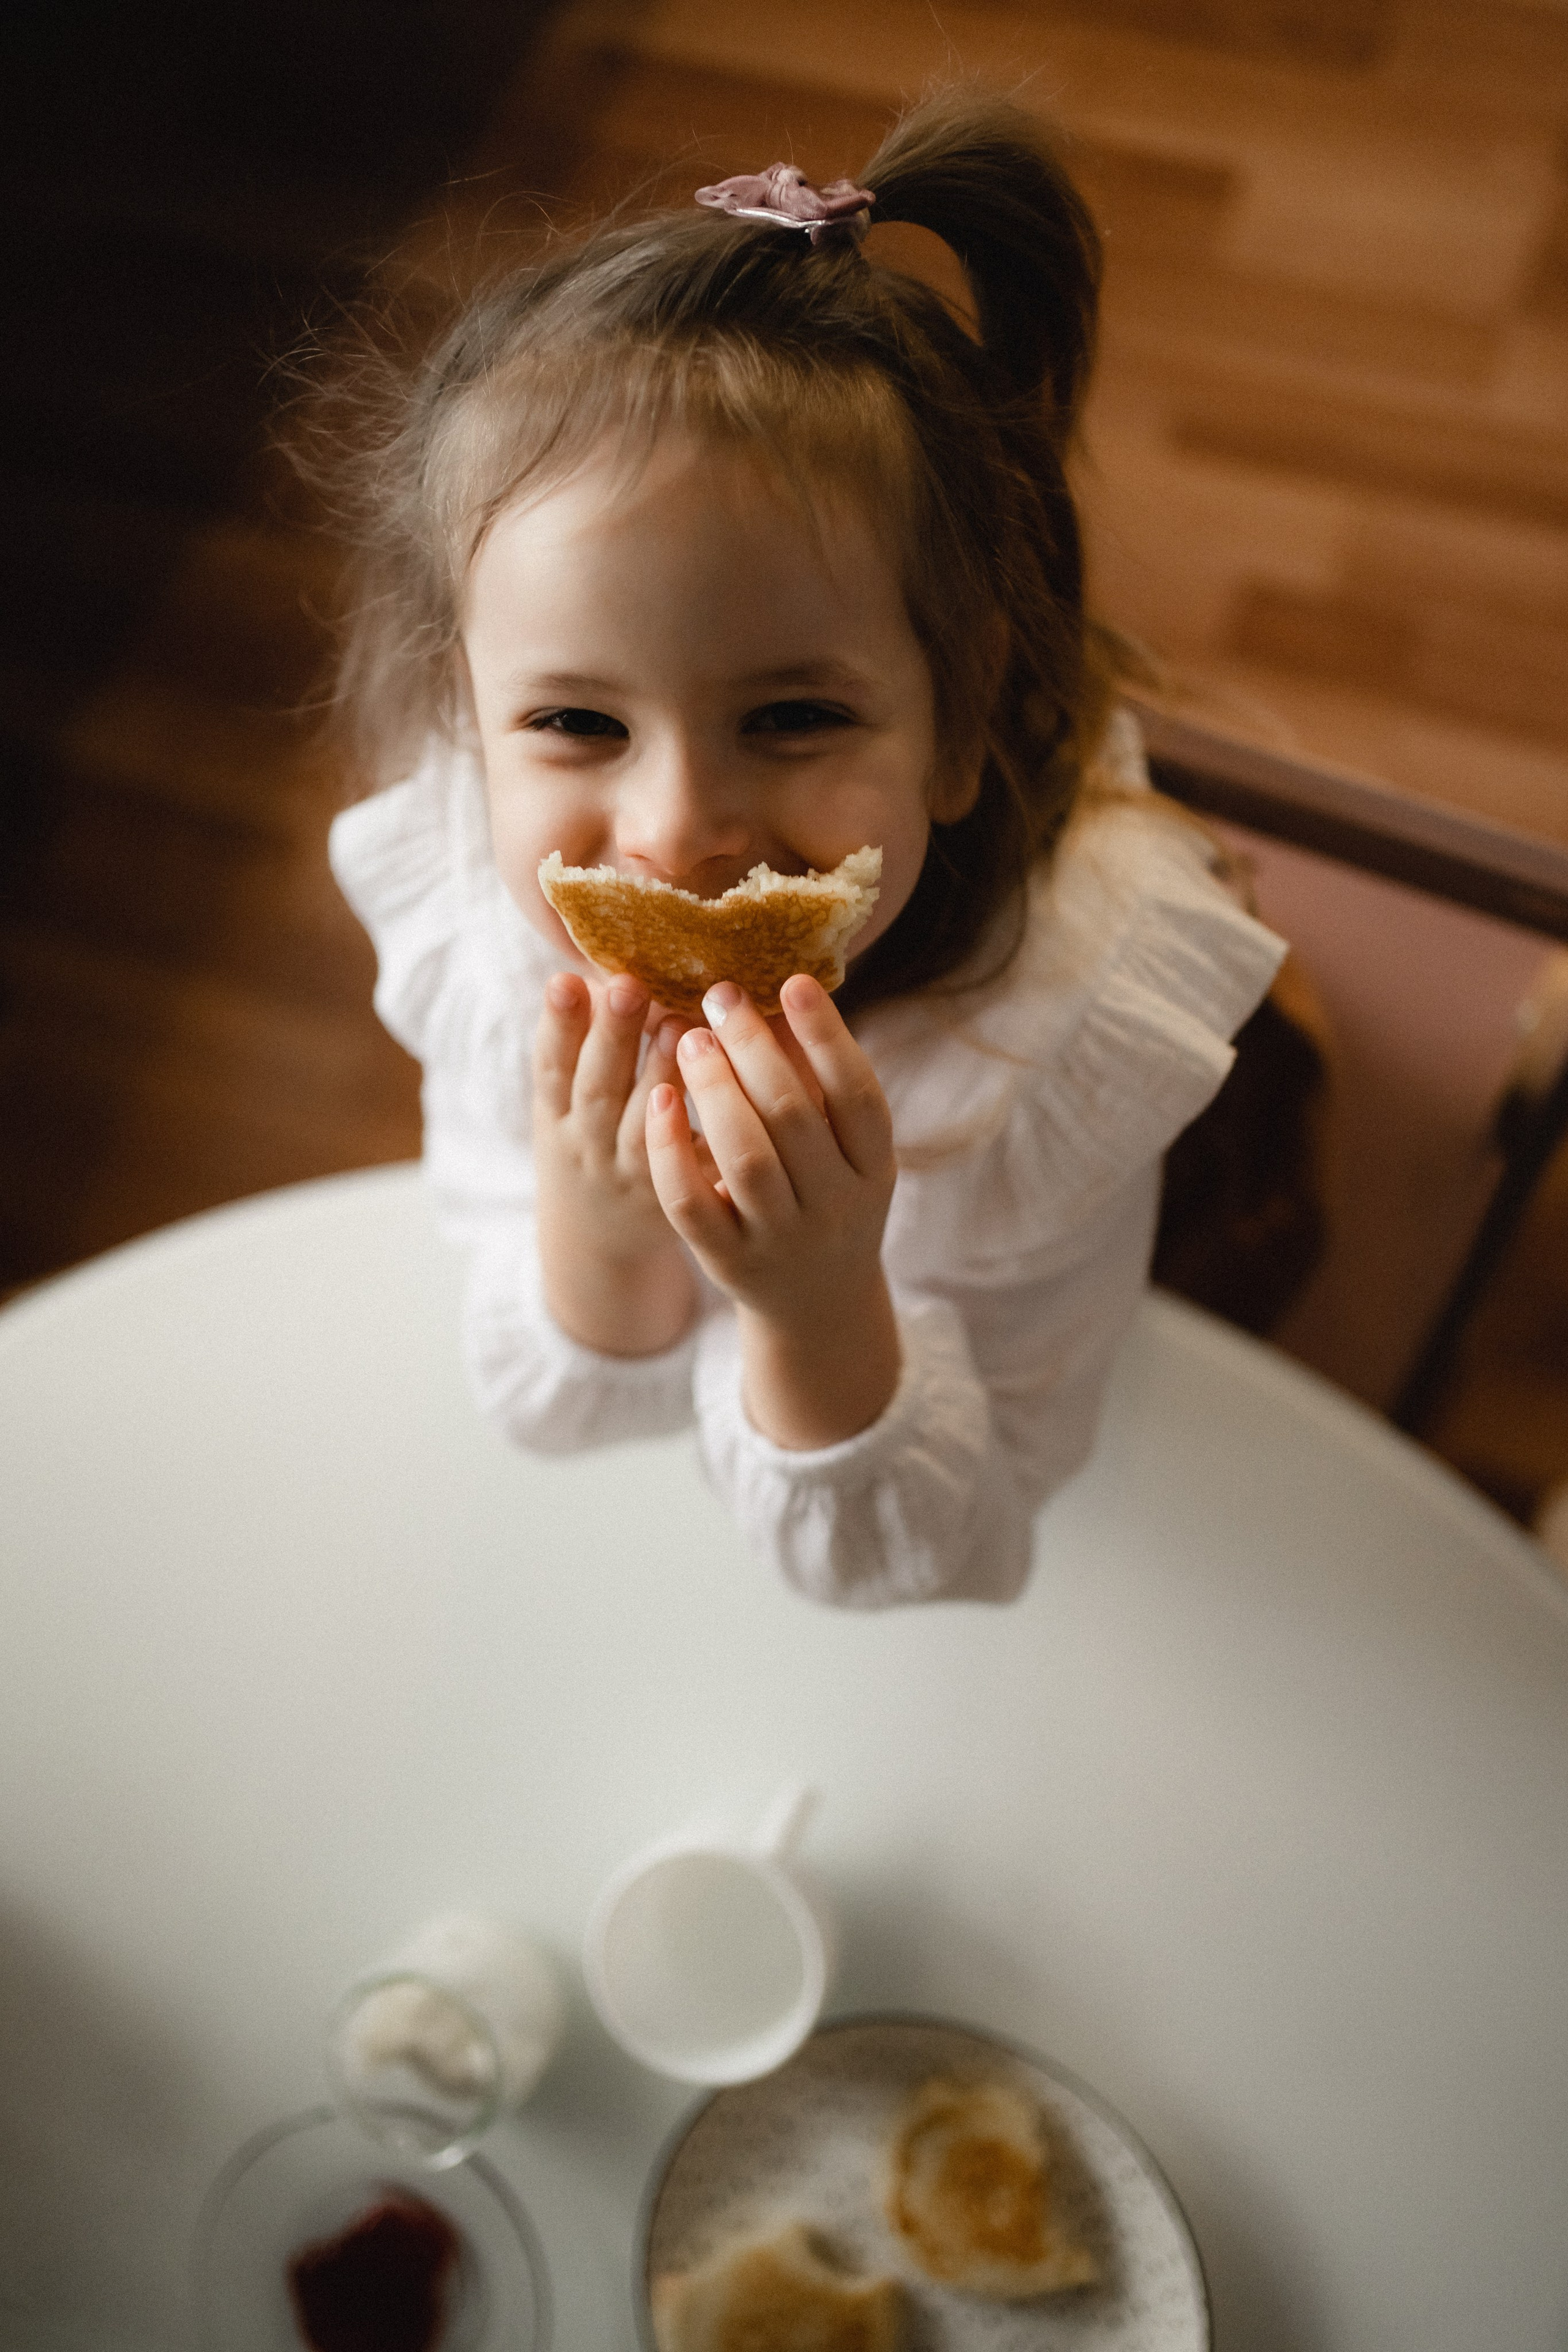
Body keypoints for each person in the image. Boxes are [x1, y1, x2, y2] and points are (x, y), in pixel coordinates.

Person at [324, 93, 1286, 1609]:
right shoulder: (504, 952)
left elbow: (965, 1537)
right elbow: (558, 1412)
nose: (673, 835)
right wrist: (594, 1221)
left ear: (958, 715)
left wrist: (818, 1302)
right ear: (470, 703)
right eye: (575, 719)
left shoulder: (1044, 1057)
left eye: (787, 718)